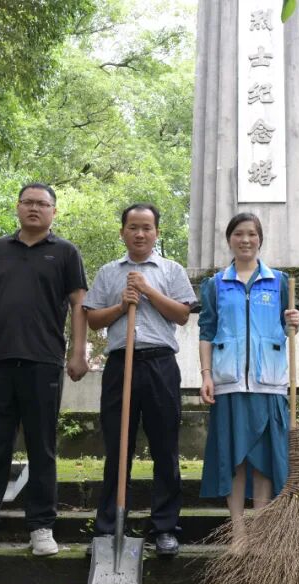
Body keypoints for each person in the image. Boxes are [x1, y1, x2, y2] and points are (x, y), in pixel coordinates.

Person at [0, 183, 89, 556]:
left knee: (42, 447)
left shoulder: (65, 252)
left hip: (43, 361)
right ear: (18, 207)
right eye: (28, 202)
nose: (34, 208)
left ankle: (41, 527)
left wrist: (78, 353)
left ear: (53, 211)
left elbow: (79, 304)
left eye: (42, 204)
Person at [84, 203, 197, 557]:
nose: (140, 233)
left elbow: (182, 314)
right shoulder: (108, 272)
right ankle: (108, 528)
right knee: (118, 447)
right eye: (133, 227)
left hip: (160, 364)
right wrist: (121, 306)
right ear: (122, 232)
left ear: (157, 233)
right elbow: (93, 320)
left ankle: (164, 527)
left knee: (165, 448)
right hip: (121, 364)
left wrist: (148, 291)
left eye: (147, 227)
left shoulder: (172, 270)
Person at [197, 213, 299, 547]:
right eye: (239, 234)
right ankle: (238, 531)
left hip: (268, 382)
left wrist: (294, 322)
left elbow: (287, 329)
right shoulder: (215, 284)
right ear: (229, 239)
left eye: (252, 234)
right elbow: (206, 332)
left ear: (260, 239)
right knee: (235, 459)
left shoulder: (280, 282)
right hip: (228, 382)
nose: (245, 240)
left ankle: (261, 528)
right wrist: (206, 375)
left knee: (263, 460)